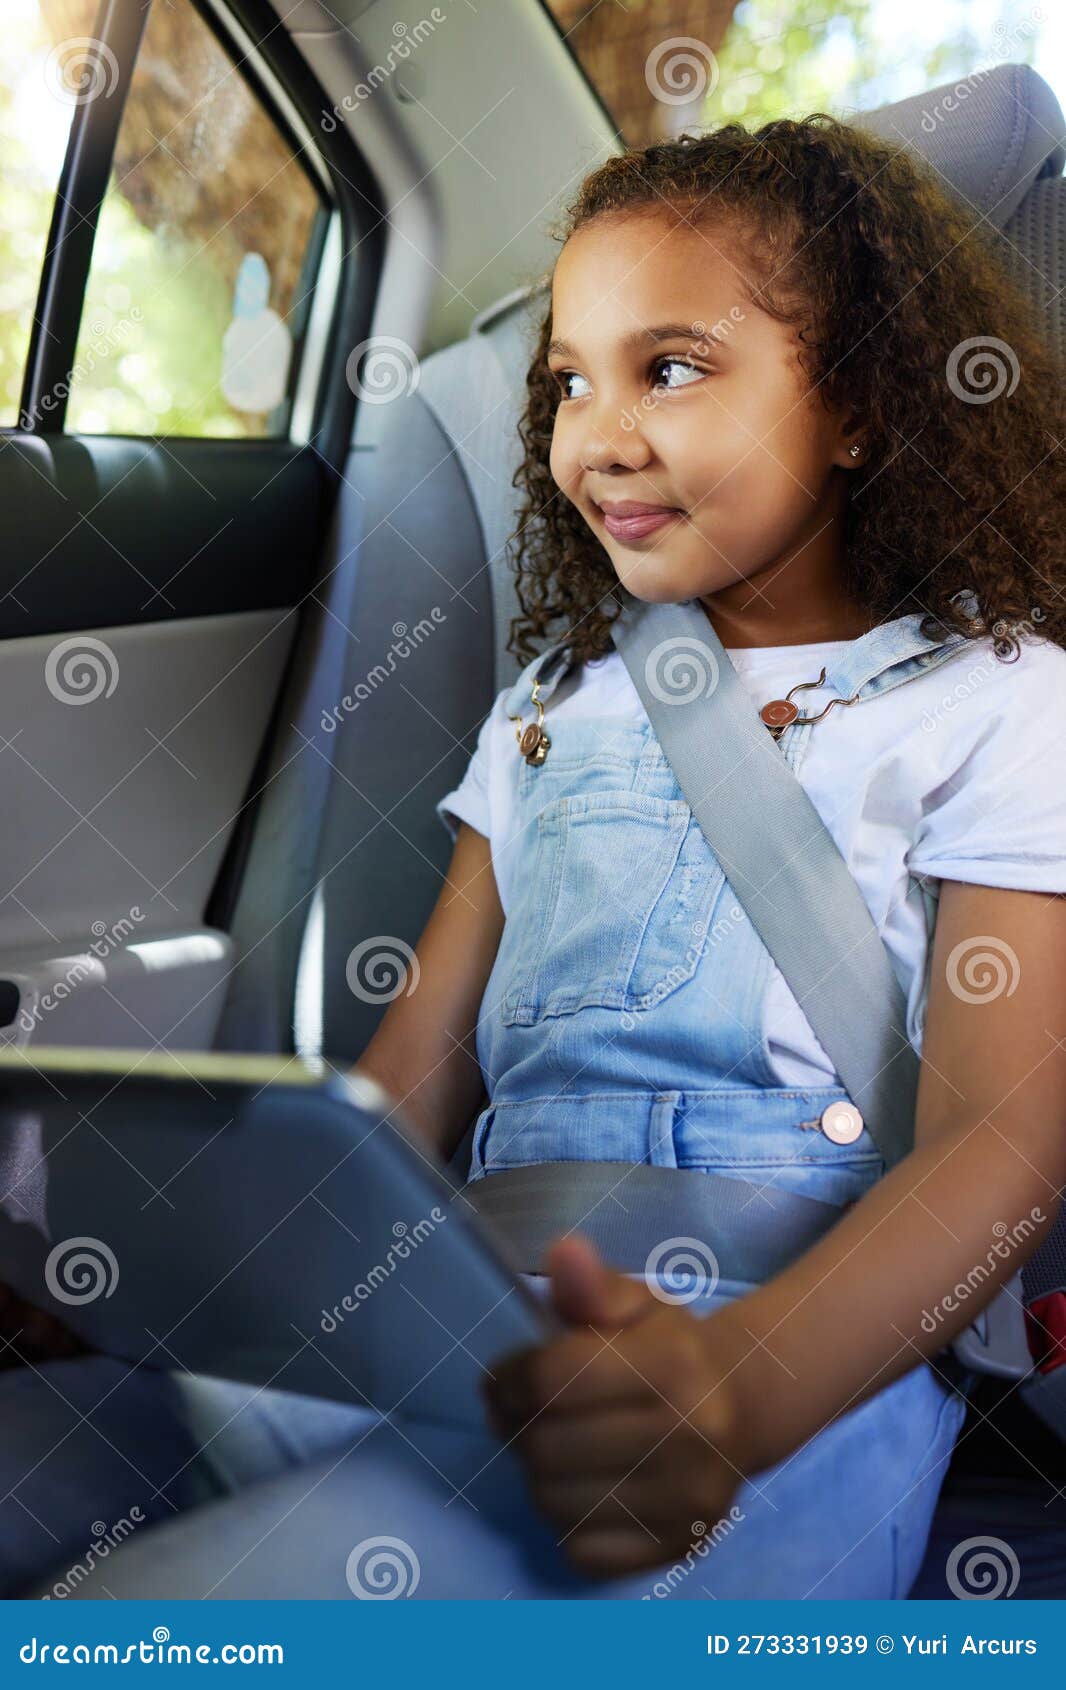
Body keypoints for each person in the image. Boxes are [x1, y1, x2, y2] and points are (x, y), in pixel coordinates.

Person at [4, 114, 1066, 1601]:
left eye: (672, 368)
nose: (596, 433)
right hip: (450, 1324)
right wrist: (171, 1277)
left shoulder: (997, 704)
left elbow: (997, 1151)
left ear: (862, 406)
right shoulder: (551, 708)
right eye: (567, 380)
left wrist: (728, 1396)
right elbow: (406, 1085)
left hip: (781, 1362)